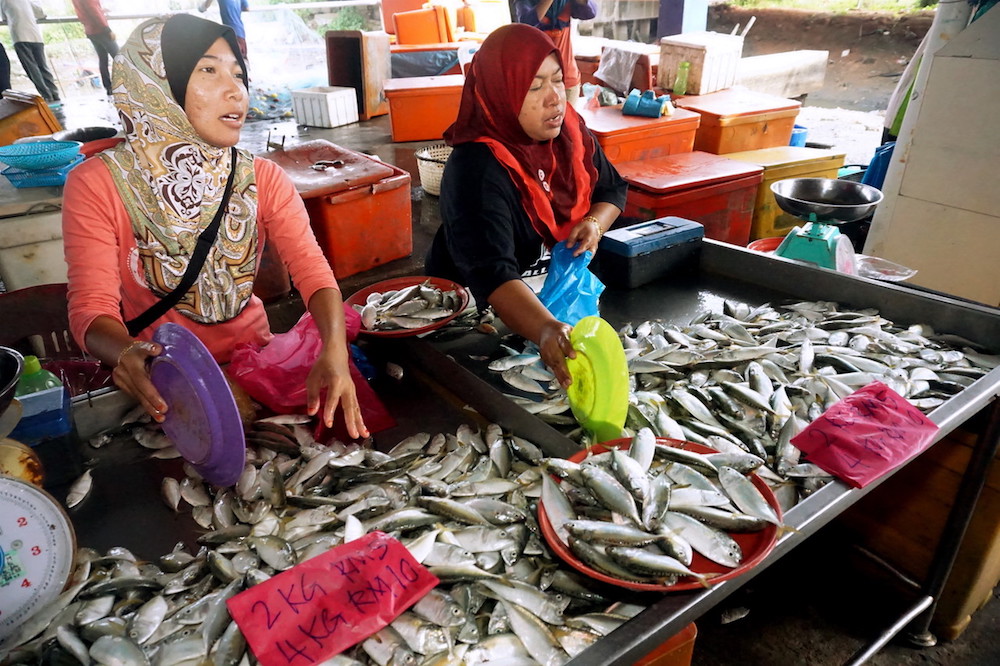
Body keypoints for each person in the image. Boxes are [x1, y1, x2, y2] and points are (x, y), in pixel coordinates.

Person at [62, 14, 368, 440]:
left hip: (255, 363)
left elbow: (313, 273)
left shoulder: (263, 177)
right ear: (155, 82)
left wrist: (333, 350)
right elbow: (90, 311)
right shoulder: (97, 184)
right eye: (208, 70)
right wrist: (129, 352)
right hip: (166, 382)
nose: (236, 91)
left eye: (238, 74)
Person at [425, 24, 626, 389]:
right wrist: (546, 328)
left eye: (556, 80)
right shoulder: (476, 167)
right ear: (501, 94)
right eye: (534, 87)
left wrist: (595, 224)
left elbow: (612, 189)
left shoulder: (571, 134)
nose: (554, 99)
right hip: (468, 308)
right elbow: (493, 274)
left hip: (539, 290)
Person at [514, 0, 597, 107]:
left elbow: (590, 12)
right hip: (537, 81)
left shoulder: (566, 3)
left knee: (568, 122)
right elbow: (527, 22)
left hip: (568, 79)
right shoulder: (524, 2)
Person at [0, 0, 60, 104]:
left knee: (32, 69)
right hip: (36, 36)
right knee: (43, 67)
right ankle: (55, 94)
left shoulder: (4, 1)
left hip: (20, 37)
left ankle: (47, 96)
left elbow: (4, 18)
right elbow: (40, 13)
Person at [71, 0, 118, 96]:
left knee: (103, 59)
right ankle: (130, 85)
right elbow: (93, 10)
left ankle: (108, 87)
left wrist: (101, 11)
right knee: (120, 57)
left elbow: (87, 11)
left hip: (90, 31)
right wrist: (107, 29)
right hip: (100, 30)